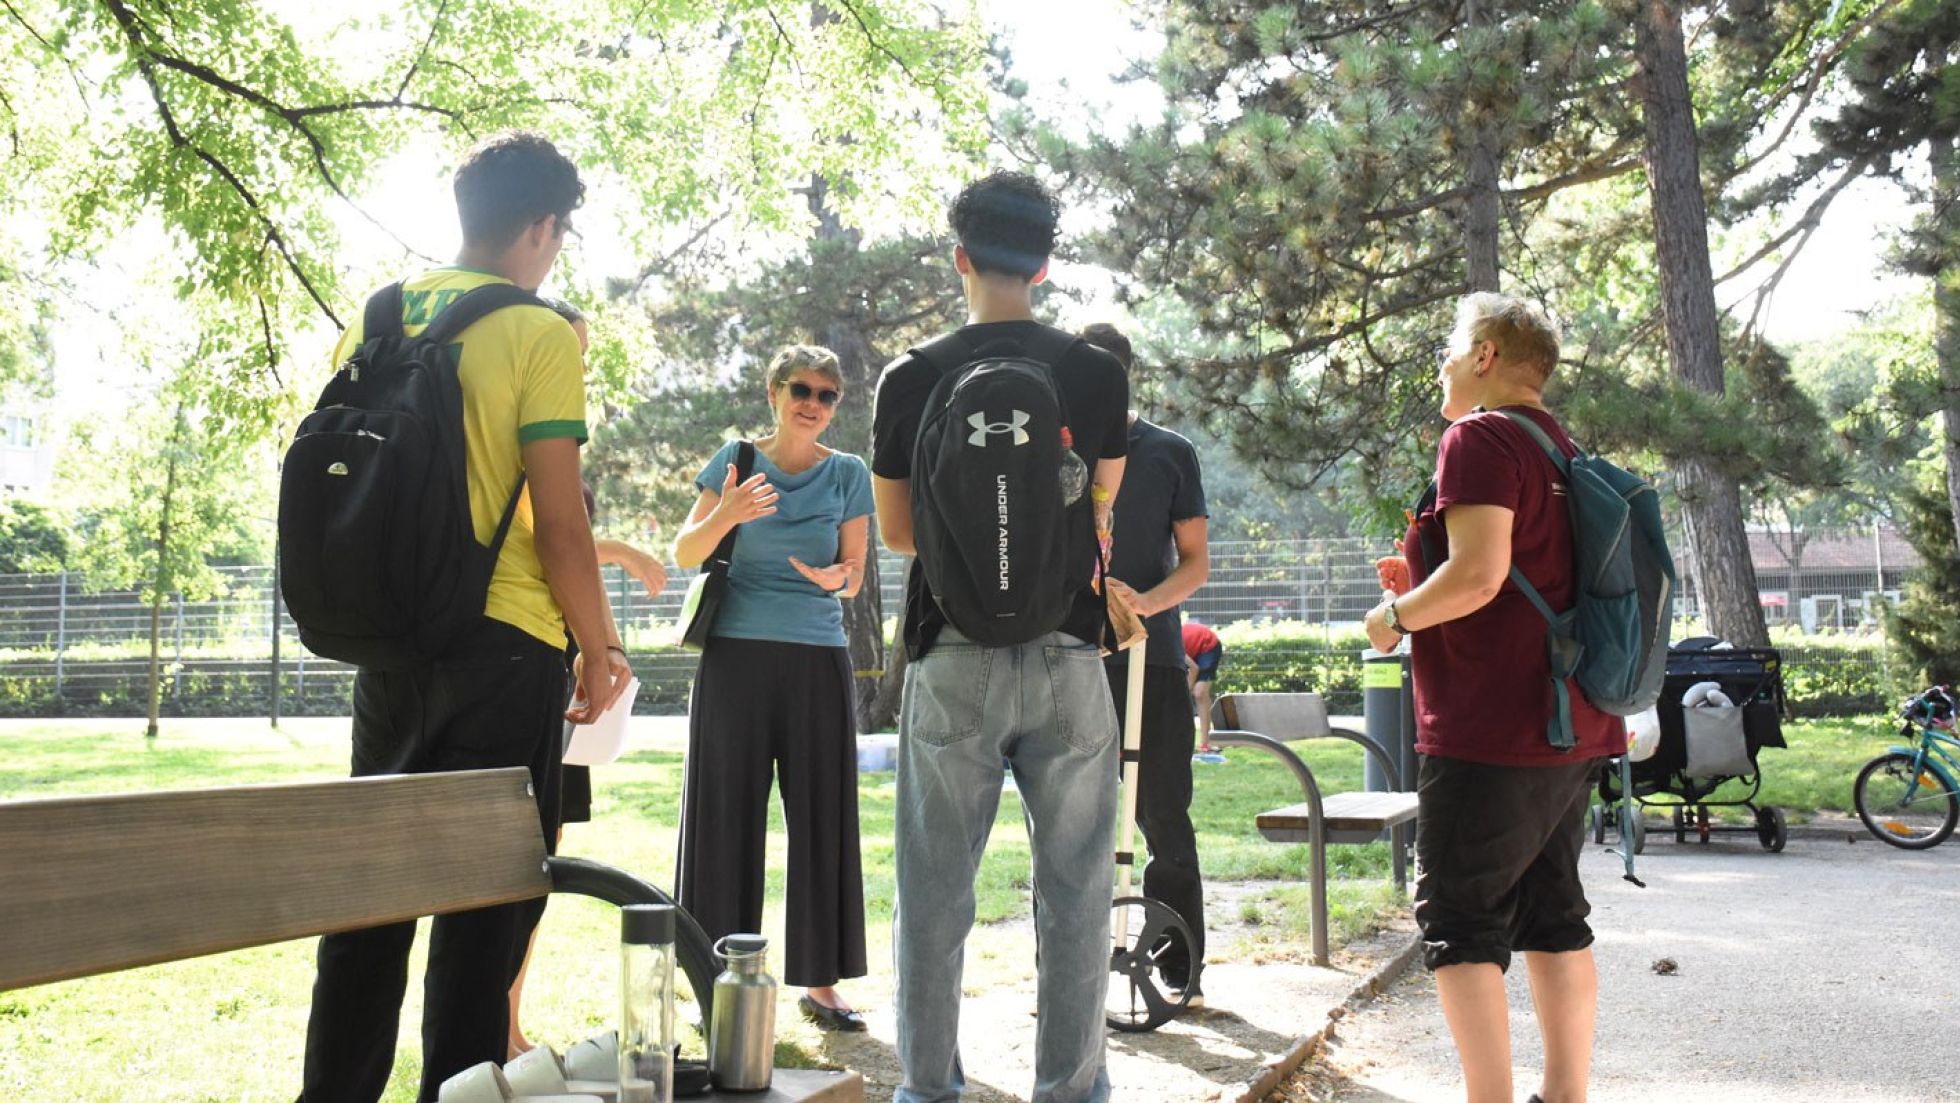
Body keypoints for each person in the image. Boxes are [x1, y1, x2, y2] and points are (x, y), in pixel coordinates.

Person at [299, 132, 631, 1103]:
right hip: (505, 647)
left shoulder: (381, 316)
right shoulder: (536, 334)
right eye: (559, 232)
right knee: (482, 918)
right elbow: (561, 524)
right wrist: (601, 647)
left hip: (390, 650)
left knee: (369, 908)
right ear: (540, 226)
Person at [871, 170, 1129, 1103]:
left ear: (961, 258)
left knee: (935, 894)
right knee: (1076, 892)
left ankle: (928, 1090)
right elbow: (1097, 507)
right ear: (1047, 264)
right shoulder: (1096, 371)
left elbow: (898, 535)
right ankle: (1071, 1090)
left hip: (951, 655)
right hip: (1069, 655)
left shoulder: (912, 375)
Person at [1365, 292, 1626, 1103]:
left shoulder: (1477, 437)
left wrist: (1393, 617)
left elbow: (1479, 575)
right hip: (1570, 721)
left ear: (1484, 355)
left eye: (1449, 347)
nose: (1441, 363)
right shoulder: (1560, 446)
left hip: (1490, 724)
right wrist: (1424, 578)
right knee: (1554, 913)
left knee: (1459, 920)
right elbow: (1517, 574)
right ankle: (1565, 1094)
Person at [672, 344, 872, 1031]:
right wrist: (726, 512)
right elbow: (685, 552)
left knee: (822, 816)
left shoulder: (848, 473)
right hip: (736, 657)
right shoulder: (736, 460)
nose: (814, 403)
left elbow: (856, 571)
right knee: (725, 818)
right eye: (802, 390)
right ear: (774, 392)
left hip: (817, 658)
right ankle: (717, 979)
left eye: (827, 394)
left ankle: (820, 983)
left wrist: (834, 580)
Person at [506, 301, 670, 1059]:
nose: (571, 366)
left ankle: (507, 1021)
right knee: (513, 857)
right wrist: (624, 558)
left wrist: (602, 642)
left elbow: (563, 536)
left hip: (562, 676)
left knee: (541, 853)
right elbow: (546, 536)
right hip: (516, 665)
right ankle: (496, 1024)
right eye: (564, 348)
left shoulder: (555, 440)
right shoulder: (504, 436)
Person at [1079, 322, 1213, 1007]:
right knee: (1072, 818)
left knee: (1164, 813)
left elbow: (1196, 560)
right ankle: (1068, 968)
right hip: (1073, 658)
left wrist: (1145, 603)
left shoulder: (1169, 452)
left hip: (1152, 659)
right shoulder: (1057, 453)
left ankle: (1175, 965)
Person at [1181, 620, 1224, 756]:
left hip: (1208, 645)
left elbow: (1194, 668)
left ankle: (1206, 744)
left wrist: (1184, 694)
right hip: (1192, 651)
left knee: (1200, 694)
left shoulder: (1172, 646)